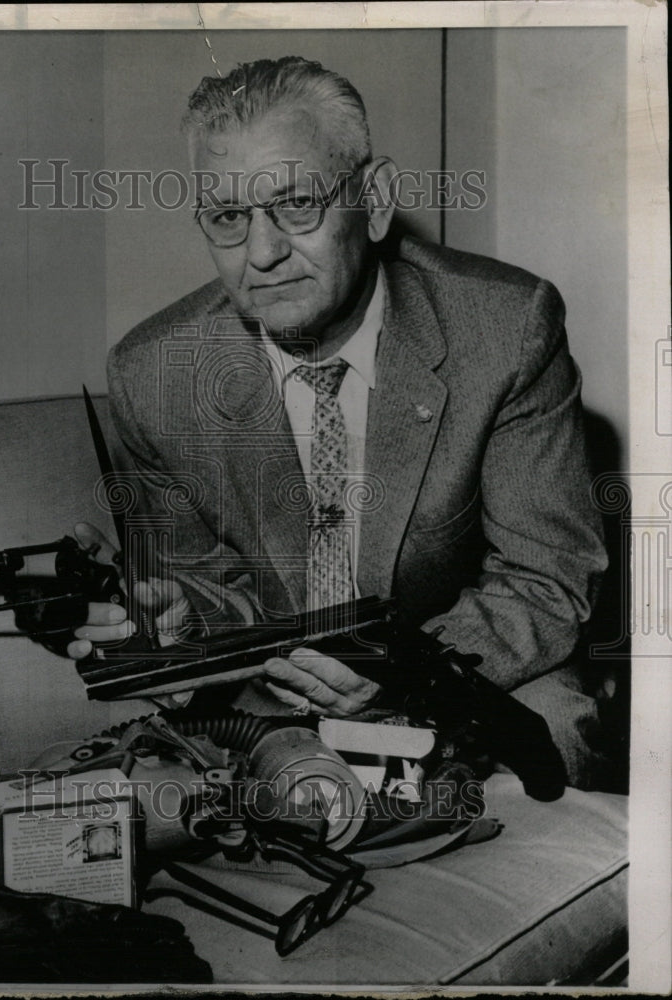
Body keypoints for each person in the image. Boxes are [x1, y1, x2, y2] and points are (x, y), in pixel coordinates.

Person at [68, 56, 610, 788]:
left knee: (555, 748)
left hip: (469, 675)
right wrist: (184, 619)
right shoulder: (151, 376)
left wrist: (394, 668)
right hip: (271, 700)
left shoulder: (506, 328)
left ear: (376, 201)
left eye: (297, 205)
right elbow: (220, 588)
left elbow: (548, 581)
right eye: (229, 216)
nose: (261, 254)